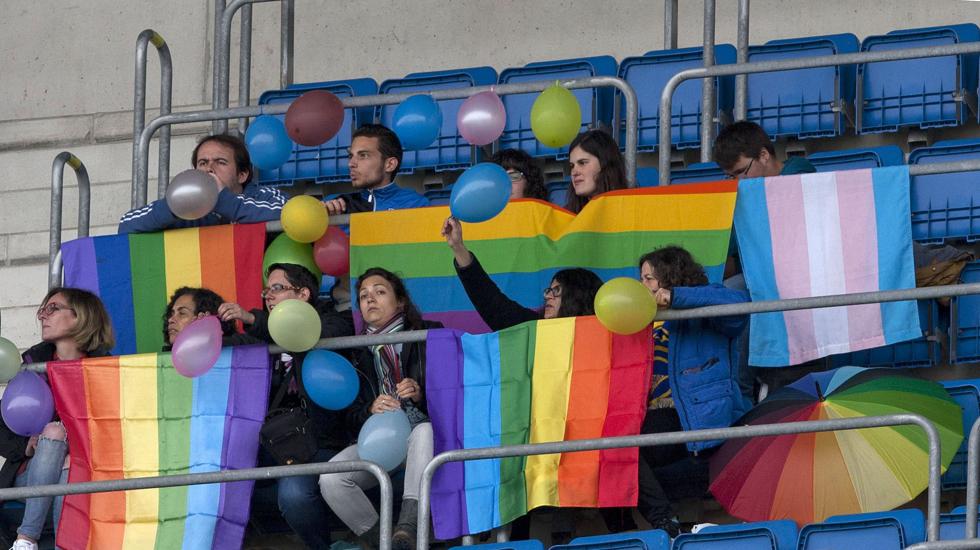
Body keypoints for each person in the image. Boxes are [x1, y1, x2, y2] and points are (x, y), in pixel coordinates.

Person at [218, 262, 354, 550]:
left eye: (277, 288)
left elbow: (304, 336)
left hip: (319, 442)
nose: (268, 296)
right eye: (266, 290)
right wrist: (203, 334)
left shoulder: (334, 322)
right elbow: (234, 345)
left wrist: (251, 317)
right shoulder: (262, 335)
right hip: (274, 441)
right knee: (215, 477)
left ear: (304, 294)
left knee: (293, 494)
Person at [318, 268, 441, 550]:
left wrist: (421, 394)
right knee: (331, 477)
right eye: (363, 296)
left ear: (400, 302)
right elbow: (350, 417)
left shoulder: (430, 334)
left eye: (380, 292)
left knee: (423, 430)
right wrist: (370, 410)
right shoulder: (356, 352)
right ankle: (383, 542)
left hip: (425, 438)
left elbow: (452, 393)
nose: (370, 299)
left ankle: (409, 525)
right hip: (379, 442)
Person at [634, 246, 752, 536]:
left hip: (692, 414)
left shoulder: (702, 302)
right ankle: (663, 524)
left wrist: (675, 298)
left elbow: (739, 304)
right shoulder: (638, 317)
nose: (643, 286)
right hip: (650, 420)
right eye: (641, 279)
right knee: (609, 456)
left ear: (670, 277)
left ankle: (663, 522)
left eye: (649, 279)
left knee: (620, 453)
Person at [0, 288, 114, 550]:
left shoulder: (106, 369)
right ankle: (28, 537)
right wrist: (24, 446)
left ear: (81, 317)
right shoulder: (31, 366)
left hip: (83, 471)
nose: (43, 316)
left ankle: (29, 541)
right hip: (29, 473)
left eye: (53, 308)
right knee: (53, 432)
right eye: (42, 309)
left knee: (68, 463)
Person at [442, 217, 602, 329]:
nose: (547, 296)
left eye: (556, 291)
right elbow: (491, 303)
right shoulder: (533, 328)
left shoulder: (601, 335)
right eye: (549, 290)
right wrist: (458, 247)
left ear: (578, 296)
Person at [118, 134, 286, 234]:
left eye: (220, 162)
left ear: (242, 175)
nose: (209, 169)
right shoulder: (188, 210)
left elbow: (285, 213)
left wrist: (222, 199)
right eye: (203, 163)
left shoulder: (266, 196)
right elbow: (127, 224)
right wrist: (176, 206)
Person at [322, 124, 429, 215]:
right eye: (351, 156)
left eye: (363, 155)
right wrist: (318, 218)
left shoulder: (414, 205)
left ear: (390, 164)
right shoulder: (334, 204)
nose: (351, 164)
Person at [712, 120, 816, 179]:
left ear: (763, 155)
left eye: (741, 172)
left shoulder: (798, 174)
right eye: (731, 176)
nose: (738, 182)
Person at [162, 286, 253, 348]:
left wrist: (211, 339)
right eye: (172, 313)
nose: (171, 319)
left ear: (205, 319)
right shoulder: (162, 362)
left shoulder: (236, 347)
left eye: (182, 313)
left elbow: (263, 343)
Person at [564, 129, 628, 214]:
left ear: (605, 163)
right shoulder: (565, 216)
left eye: (582, 163)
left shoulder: (632, 209)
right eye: (572, 166)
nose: (574, 172)